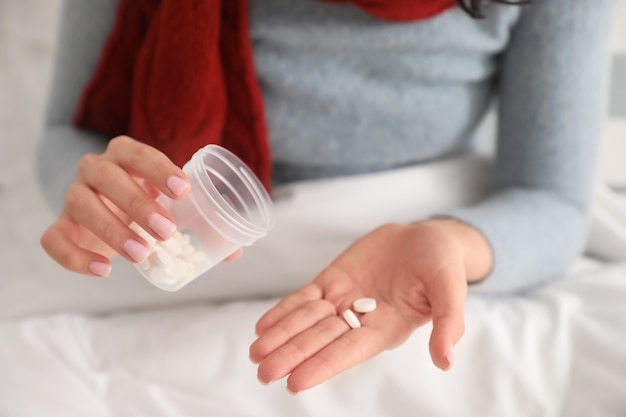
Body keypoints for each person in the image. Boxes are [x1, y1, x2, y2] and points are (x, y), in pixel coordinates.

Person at [38, 0, 617, 395]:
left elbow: (552, 201)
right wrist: (93, 193)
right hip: (193, 248)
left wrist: (450, 242)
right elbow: (67, 138)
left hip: (412, 248)